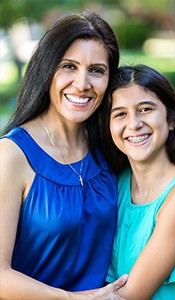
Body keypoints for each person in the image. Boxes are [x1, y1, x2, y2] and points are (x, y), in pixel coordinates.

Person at [0, 9, 127, 299]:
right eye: (69, 66)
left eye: (97, 70)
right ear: (47, 70)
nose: (82, 83)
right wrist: (76, 299)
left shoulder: (111, 145)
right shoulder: (12, 155)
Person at [99, 64, 175, 299]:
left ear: (171, 119)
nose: (133, 123)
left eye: (145, 109)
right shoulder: (116, 185)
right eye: (120, 114)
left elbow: (129, 295)